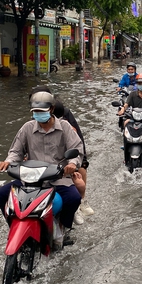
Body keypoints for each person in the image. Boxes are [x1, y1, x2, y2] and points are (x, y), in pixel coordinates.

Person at [0, 92, 83, 238]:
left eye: (41, 111)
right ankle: (15, 226)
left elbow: (77, 150)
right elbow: (16, 151)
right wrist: (8, 161)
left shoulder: (65, 127)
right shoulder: (27, 127)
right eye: (35, 112)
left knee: (74, 198)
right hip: (31, 177)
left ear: (52, 109)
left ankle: (64, 228)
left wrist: (72, 164)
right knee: (1, 194)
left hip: (58, 177)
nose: (38, 114)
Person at [30, 86, 94, 222]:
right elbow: (21, 147)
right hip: (40, 166)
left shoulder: (64, 121)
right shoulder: (31, 123)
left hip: (63, 160)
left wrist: (77, 162)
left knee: (79, 176)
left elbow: (77, 142)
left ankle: (79, 205)